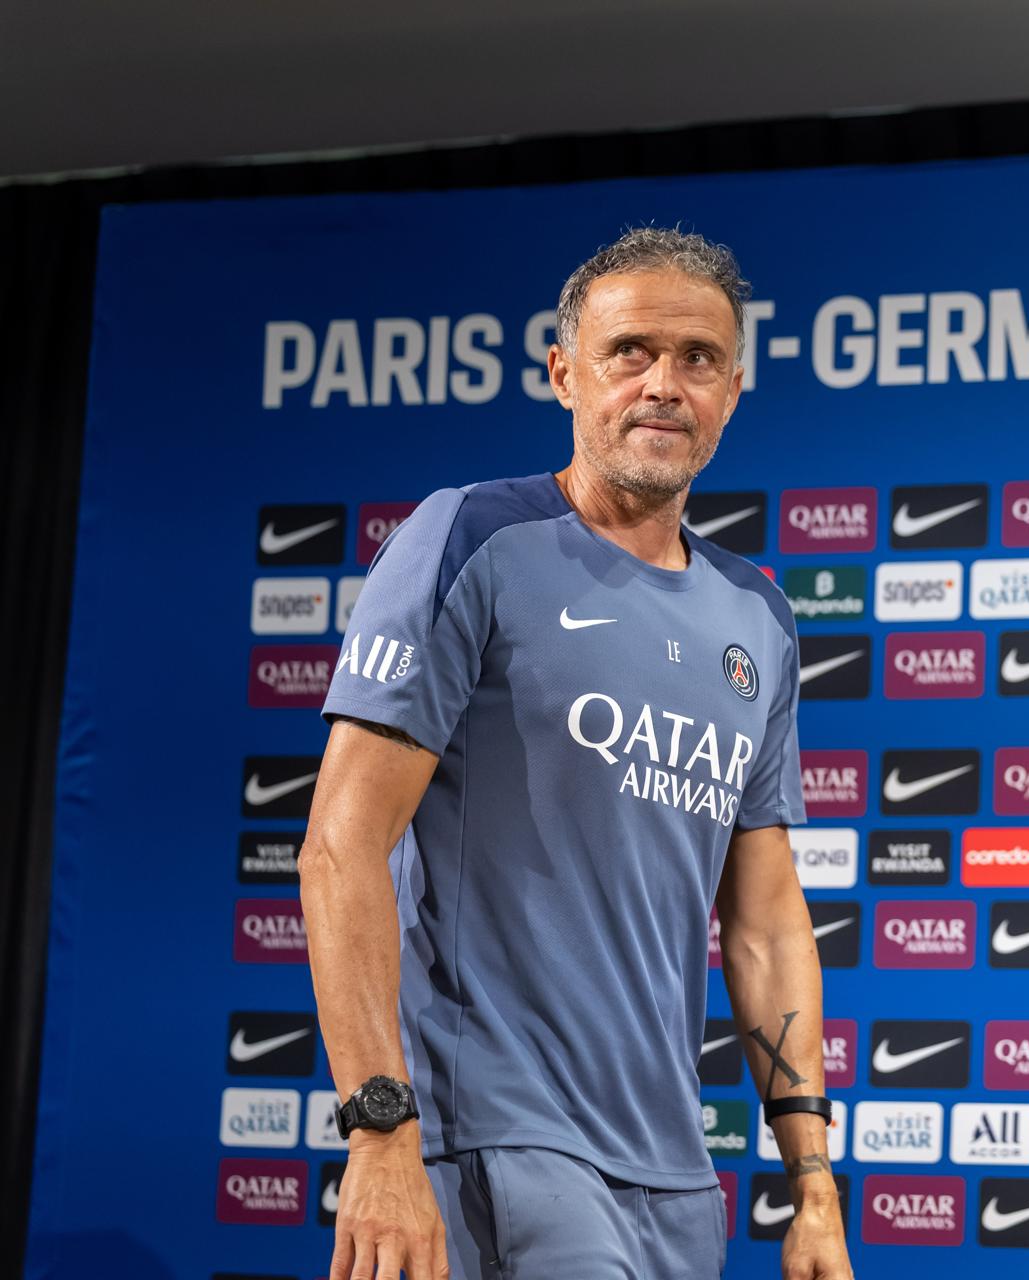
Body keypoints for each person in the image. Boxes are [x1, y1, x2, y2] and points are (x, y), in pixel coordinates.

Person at [300, 227, 851, 1280]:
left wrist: (813, 1185)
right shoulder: (471, 538)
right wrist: (380, 1131)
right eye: (629, 351)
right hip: (498, 1133)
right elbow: (340, 843)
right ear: (564, 373)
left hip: (675, 1171)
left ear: (734, 388)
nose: (662, 384)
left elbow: (770, 917)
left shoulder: (760, 616)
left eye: (697, 359)